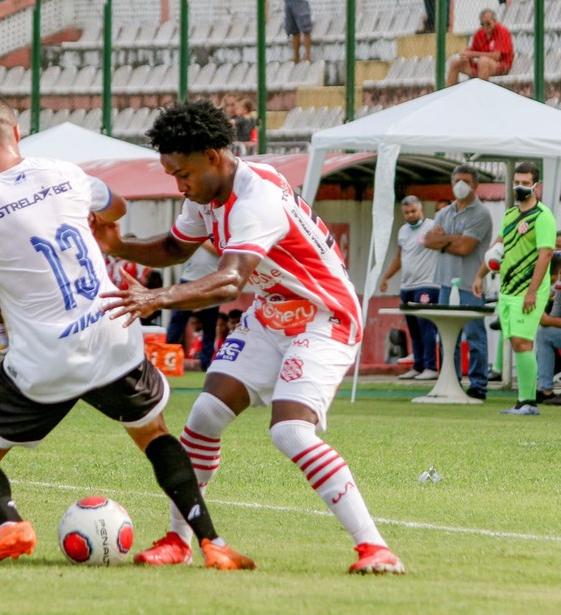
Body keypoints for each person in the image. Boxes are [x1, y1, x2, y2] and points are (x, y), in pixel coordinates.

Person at [0, 92, 253, 570]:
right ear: (17, 133)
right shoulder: (64, 172)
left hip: (45, 361)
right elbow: (116, 208)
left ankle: (9, 524)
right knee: (154, 434)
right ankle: (212, 542)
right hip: (112, 332)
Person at [91, 100, 403, 575]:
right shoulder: (206, 195)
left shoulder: (255, 197)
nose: (180, 185)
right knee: (204, 415)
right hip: (271, 313)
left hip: (324, 317)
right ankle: (178, 539)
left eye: (184, 173)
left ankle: (375, 547)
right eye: (172, 174)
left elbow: (231, 280)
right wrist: (119, 246)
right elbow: (176, 246)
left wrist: (160, 298)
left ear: (214, 156)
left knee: (291, 431)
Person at [471, 162, 556, 415]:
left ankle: (528, 402)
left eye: (525, 183)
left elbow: (546, 254)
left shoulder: (543, 216)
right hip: (508, 289)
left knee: (522, 341)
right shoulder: (509, 215)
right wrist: (480, 275)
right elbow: (498, 248)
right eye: (516, 181)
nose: (519, 187)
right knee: (515, 342)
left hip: (528, 290)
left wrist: (532, 291)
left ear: (536, 186)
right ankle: (524, 401)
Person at [424, 164, 493, 400]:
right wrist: (450, 239)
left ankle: (478, 385)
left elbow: (466, 247)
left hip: (471, 284)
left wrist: (443, 240)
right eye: (456, 181)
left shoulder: (481, 213)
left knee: (474, 336)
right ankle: (450, 383)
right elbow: (428, 241)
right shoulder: (444, 212)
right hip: (445, 282)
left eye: (464, 180)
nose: (460, 185)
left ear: (475, 185)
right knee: (446, 335)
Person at [378, 196, 440, 381]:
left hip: (427, 284)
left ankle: (431, 366)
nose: (410, 215)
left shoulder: (432, 227)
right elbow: (400, 257)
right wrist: (387, 277)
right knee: (413, 328)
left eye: (413, 211)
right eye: (407, 212)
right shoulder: (403, 231)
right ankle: (418, 365)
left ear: (421, 210)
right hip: (407, 286)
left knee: (426, 326)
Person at [166, 243, 221, 371]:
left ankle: (205, 364)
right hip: (189, 278)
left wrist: (201, 241)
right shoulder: (193, 230)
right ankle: (167, 358)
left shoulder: (218, 233)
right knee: (177, 321)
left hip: (212, 280)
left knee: (209, 325)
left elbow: (221, 250)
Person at [446, 8, 514, 86]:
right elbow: (471, 52)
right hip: (480, 67)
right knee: (455, 62)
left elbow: (496, 56)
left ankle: (482, 95)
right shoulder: (479, 33)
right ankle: (449, 94)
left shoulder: (502, 31)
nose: (485, 27)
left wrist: (473, 54)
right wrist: (466, 56)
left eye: (488, 23)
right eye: (482, 24)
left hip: (500, 66)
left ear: (494, 21)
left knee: (483, 61)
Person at [535, 253, 561, 406]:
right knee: (544, 333)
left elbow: (550, 319)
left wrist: (548, 320)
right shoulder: (558, 287)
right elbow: (552, 317)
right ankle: (546, 391)